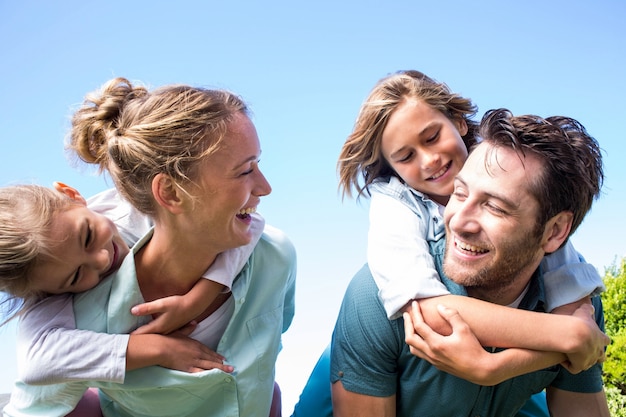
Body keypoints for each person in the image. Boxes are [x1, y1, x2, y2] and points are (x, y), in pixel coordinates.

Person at [290, 70, 607, 416]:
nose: (430, 160)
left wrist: (566, 327)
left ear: (459, 122)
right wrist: (562, 340)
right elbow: (425, 309)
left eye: (432, 137)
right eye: (406, 156)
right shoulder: (394, 206)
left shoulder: (502, 167)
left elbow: (566, 269)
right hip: (366, 360)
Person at [3, 77, 296, 417]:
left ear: (71, 195)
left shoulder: (275, 258)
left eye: (255, 164)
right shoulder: (80, 309)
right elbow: (37, 363)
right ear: (169, 193)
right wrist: (148, 348)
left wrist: (202, 294)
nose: (101, 259)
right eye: (244, 170)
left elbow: (252, 229)